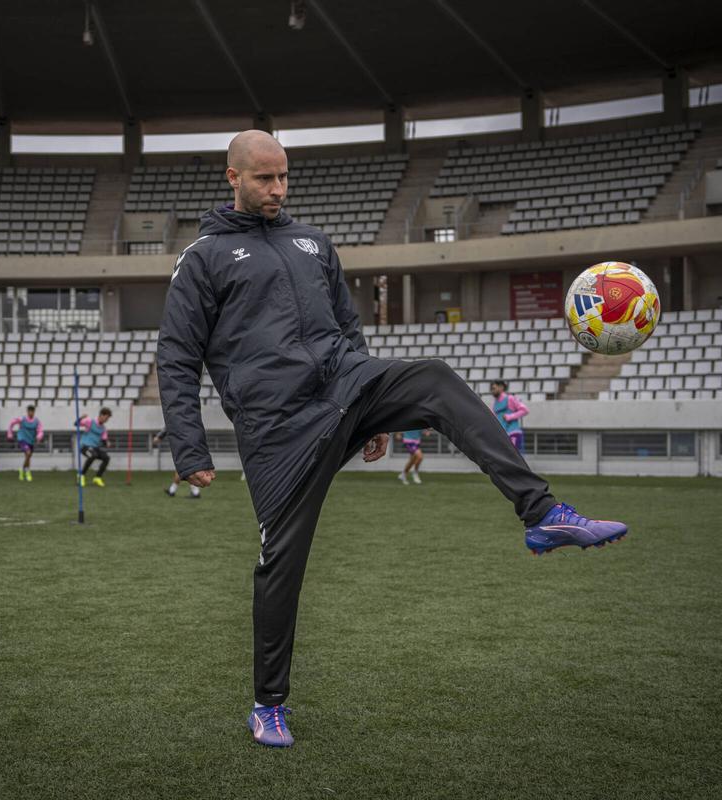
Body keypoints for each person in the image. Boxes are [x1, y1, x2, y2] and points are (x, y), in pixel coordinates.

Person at [156, 130, 628, 748]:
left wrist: (375, 413)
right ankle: (268, 705)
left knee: (433, 378)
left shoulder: (312, 242)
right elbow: (177, 354)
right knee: (281, 565)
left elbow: (347, 327)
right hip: (278, 429)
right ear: (233, 178)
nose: (278, 189)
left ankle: (541, 513)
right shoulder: (203, 258)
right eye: (265, 178)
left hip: (346, 385)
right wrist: (189, 447)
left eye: (284, 177)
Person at [152, 427, 200, 499]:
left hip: (185, 447)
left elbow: (169, 426)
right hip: (186, 447)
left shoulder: (178, 421)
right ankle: (172, 490)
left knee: (187, 470)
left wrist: (159, 437)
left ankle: (195, 492)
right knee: (181, 470)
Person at [490, 381, 529, 452]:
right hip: (502, 436)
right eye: (491, 389)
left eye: (494, 388)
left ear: (501, 387)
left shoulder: (510, 398)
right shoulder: (495, 403)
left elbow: (525, 410)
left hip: (513, 433)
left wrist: (510, 416)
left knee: (514, 457)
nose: (492, 391)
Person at [7, 405, 44, 481]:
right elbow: (12, 423)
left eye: (32, 411)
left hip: (31, 441)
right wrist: (10, 433)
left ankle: (23, 471)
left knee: (28, 456)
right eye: (29, 411)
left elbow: (40, 430)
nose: (31, 413)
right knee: (28, 453)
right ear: (27, 412)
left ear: (34, 412)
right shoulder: (22, 419)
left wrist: (39, 437)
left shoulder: (37, 421)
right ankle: (27, 472)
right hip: (22, 439)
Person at [78, 407, 112, 487]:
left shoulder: (103, 429)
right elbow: (76, 424)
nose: (107, 420)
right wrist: (81, 418)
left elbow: (104, 440)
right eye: (106, 417)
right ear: (101, 415)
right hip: (84, 447)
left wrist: (107, 442)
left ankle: (97, 478)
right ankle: (81, 476)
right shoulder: (90, 421)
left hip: (95, 448)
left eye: (108, 418)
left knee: (106, 458)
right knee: (93, 455)